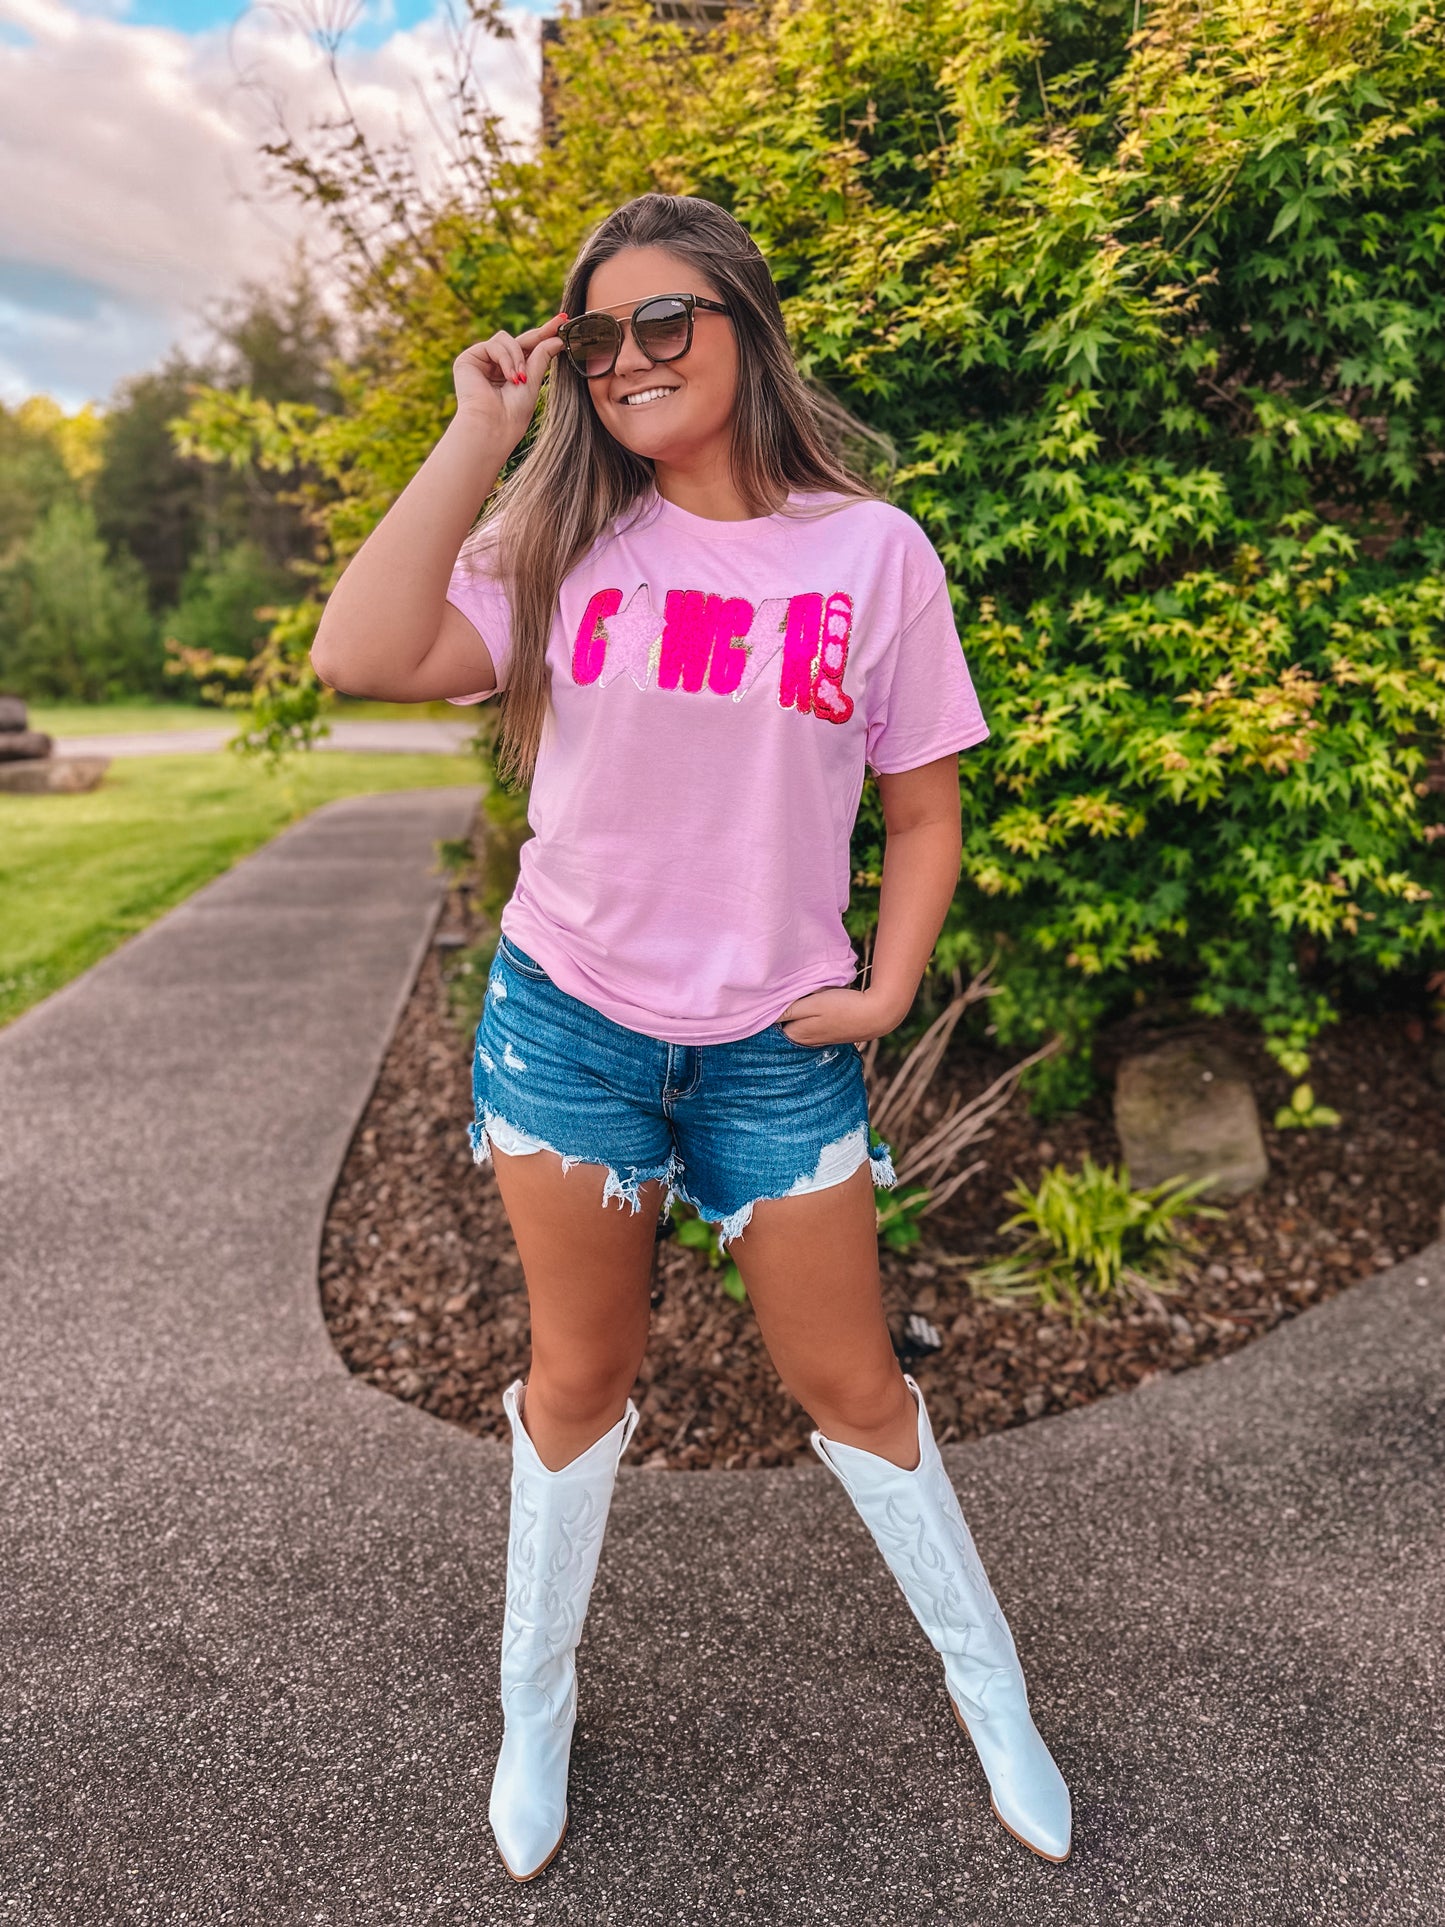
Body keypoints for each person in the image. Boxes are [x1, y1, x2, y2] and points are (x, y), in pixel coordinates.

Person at [309, 192, 1071, 1882]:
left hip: (773, 1051)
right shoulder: (561, 541)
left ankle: (990, 1691)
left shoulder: (870, 552)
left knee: (852, 1383)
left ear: (745, 329)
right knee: (577, 1376)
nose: (632, 358)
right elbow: (357, 651)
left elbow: (923, 809)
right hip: (567, 1030)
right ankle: (536, 1703)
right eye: (600, 336)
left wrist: (884, 988)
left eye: (668, 322)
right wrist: (482, 428)